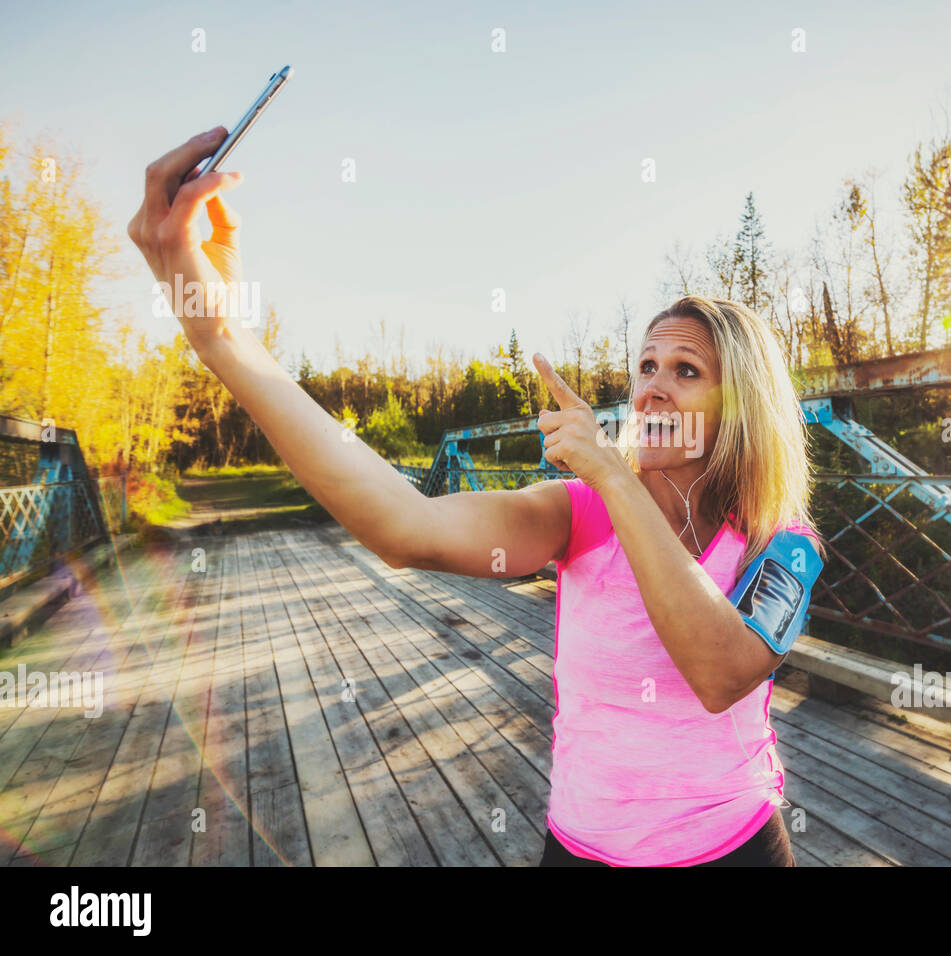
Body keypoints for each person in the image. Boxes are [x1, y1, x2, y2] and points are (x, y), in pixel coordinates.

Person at [127, 129, 826, 867]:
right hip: (579, 847)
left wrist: (615, 475)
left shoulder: (783, 543)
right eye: (646, 363)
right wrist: (223, 339)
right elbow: (404, 525)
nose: (650, 385)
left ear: (740, 405)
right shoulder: (577, 515)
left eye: (686, 370)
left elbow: (719, 673)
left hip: (733, 850)